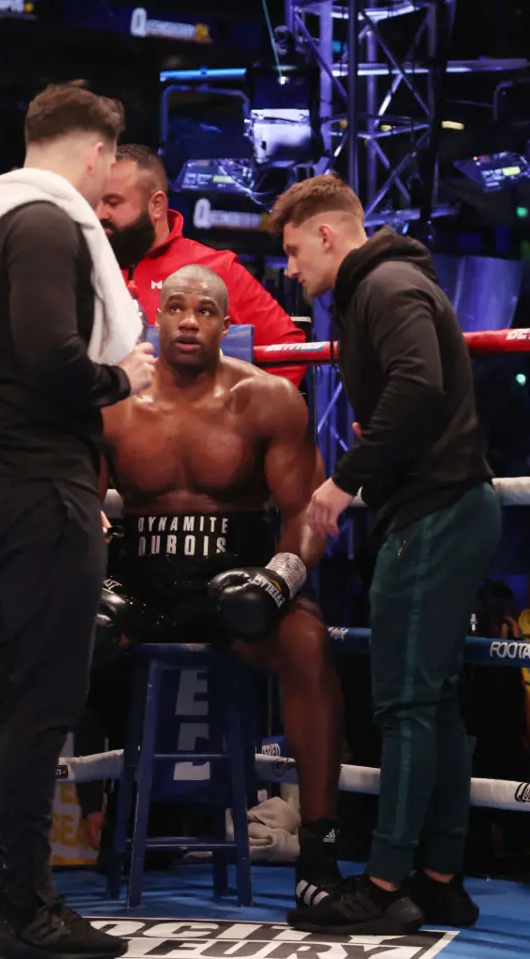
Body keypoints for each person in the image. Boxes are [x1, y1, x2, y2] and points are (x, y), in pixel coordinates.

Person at [0, 84, 156, 959]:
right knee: (39, 700)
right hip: (36, 481)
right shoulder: (49, 223)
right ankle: (28, 908)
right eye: (108, 168)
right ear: (97, 156)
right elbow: (56, 356)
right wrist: (122, 378)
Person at [268, 174, 501, 934]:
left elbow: (418, 383)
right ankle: (439, 879)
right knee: (429, 703)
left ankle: (383, 881)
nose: (293, 270)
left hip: (435, 511)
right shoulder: (389, 284)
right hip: (444, 506)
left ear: (328, 235)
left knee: (405, 704)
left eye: (296, 251)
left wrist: (341, 484)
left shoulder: (387, 286)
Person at [98, 264, 345, 911]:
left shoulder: (267, 399)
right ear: (156, 316)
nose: (188, 319)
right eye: (175, 306)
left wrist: (279, 579)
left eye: (204, 310)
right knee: (41, 638)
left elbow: (305, 516)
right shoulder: (114, 403)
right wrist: (90, 576)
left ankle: (319, 854)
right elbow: (74, 501)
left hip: (233, 592)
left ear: (226, 324)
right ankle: (12, 852)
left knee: (308, 642)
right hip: (140, 590)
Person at [96, 144, 307, 386]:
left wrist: (239, 416)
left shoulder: (215, 268)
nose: (100, 214)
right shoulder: (80, 266)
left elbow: (290, 351)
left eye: (112, 202)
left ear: (156, 205)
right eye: (96, 202)